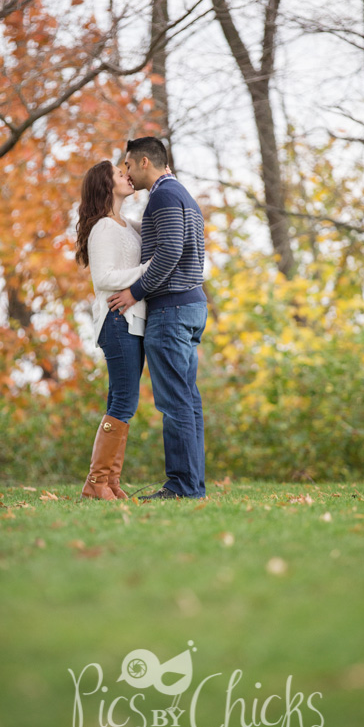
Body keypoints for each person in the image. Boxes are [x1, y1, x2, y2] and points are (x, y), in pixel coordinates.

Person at [107, 137, 207, 500]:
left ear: (144, 161)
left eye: (129, 166)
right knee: (187, 400)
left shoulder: (164, 196)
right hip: (191, 305)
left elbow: (169, 251)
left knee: (175, 402)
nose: (127, 175)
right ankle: (192, 486)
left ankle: (181, 487)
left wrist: (135, 292)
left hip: (173, 309)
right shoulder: (180, 193)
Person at [75, 160, 150, 500]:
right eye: (120, 174)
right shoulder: (103, 228)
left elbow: (152, 228)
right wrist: (148, 269)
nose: (127, 176)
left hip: (131, 321)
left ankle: (109, 482)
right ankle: (96, 482)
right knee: (124, 401)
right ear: (107, 185)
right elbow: (103, 278)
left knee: (121, 400)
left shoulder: (125, 225)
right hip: (116, 320)